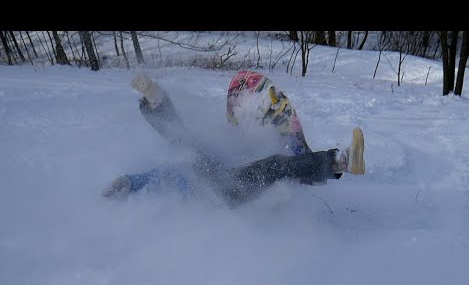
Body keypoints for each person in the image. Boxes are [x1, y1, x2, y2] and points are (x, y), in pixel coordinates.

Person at [102, 71, 365, 206]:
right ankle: (338, 162)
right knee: (190, 145)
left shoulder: (201, 155)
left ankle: (342, 161)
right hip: (220, 197)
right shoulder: (178, 170)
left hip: (231, 180)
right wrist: (127, 181)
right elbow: (151, 178)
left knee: (271, 165)